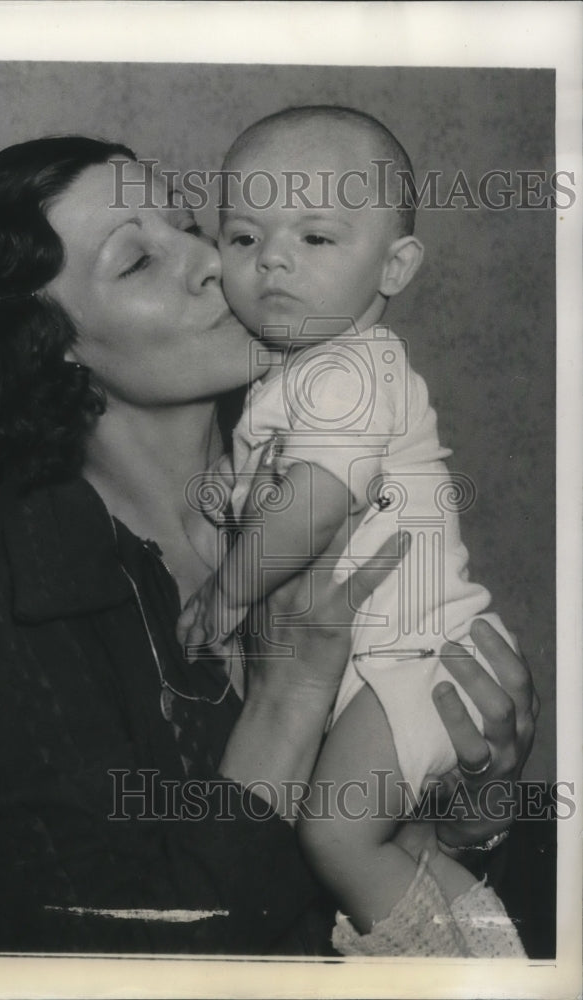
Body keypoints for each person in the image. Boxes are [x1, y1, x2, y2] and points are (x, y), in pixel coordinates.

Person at [0, 135, 537, 956]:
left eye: (188, 224)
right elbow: (115, 966)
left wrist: (469, 821)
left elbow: (397, 876)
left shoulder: (315, 463)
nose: (208, 259)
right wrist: (286, 699)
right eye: (137, 262)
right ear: (47, 342)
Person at [176, 106, 525, 955]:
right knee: (393, 843)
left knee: (335, 835)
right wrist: (227, 496)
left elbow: (311, 504)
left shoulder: (353, 364)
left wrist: (223, 596)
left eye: (317, 238)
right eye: (244, 236)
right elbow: (269, 490)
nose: (273, 261)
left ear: (395, 265)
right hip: (383, 665)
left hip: (417, 656)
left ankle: (432, 973)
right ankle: (491, 952)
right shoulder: (290, 380)